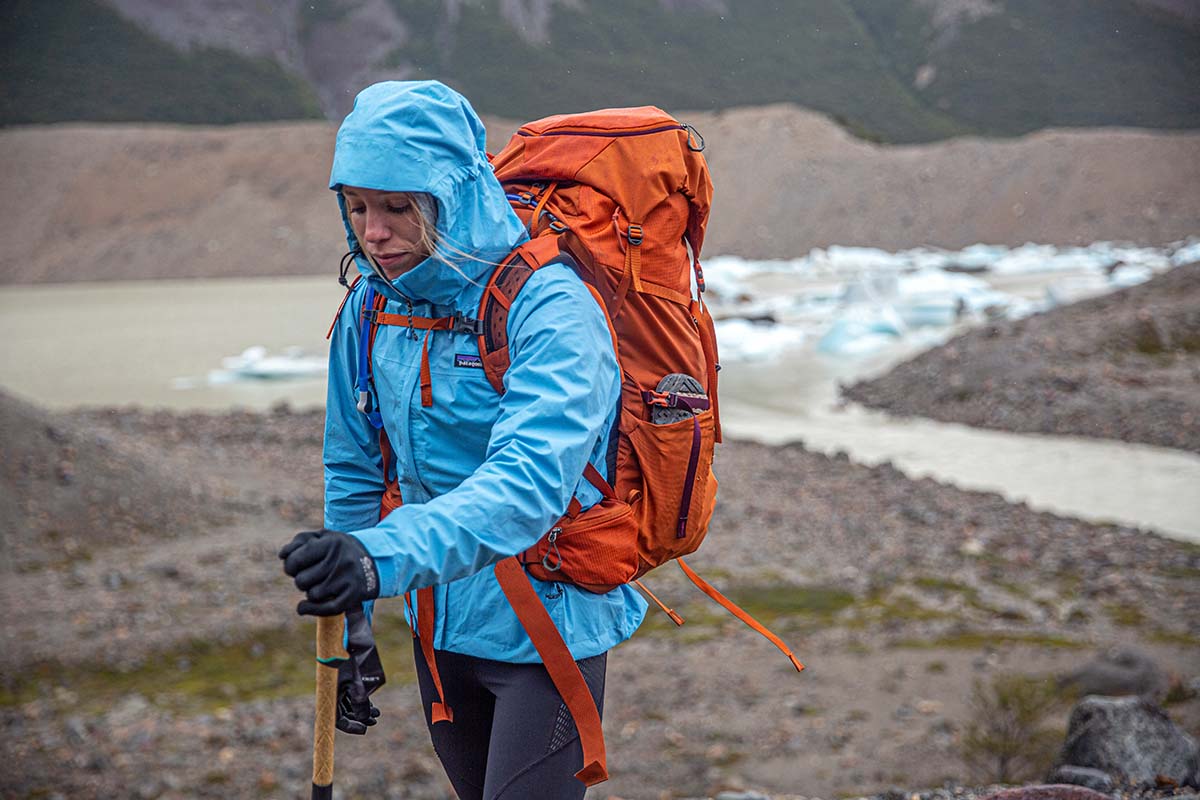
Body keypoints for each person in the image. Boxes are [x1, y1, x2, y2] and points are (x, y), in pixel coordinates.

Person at [278, 80, 647, 800]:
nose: (372, 232)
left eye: (398, 208)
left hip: (545, 627)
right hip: (438, 622)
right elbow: (354, 467)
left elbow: (527, 486)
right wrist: (353, 618)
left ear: (451, 197)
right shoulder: (369, 307)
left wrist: (374, 559)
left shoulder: (551, 306)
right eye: (356, 207)